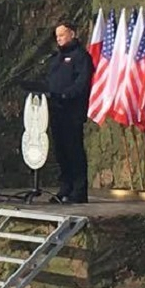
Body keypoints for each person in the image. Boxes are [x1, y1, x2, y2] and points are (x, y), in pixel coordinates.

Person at [46, 21, 94, 204]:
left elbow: (81, 84)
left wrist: (66, 94)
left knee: (74, 150)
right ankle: (65, 187)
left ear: (72, 34)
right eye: (57, 36)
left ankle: (79, 190)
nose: (59, 39)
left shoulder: (81, 57)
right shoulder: (56, 58)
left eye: (62, 35)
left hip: (72, 111)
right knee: (61, 151)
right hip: (56, 110)